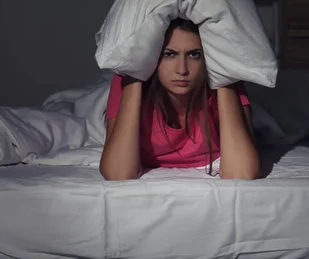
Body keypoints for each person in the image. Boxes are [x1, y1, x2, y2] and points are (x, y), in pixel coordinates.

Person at [99, 17, 261, 181]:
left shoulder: (226, 84)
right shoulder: (128, 82)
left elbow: (242, 173)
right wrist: (135, 74)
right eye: (169, 54)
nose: (182, 70)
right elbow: (117, 174)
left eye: (194, 54)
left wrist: (223, 73)